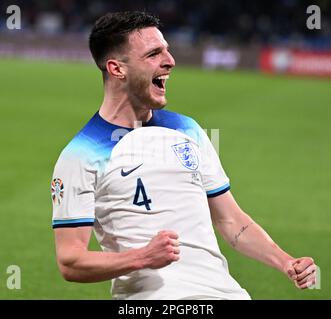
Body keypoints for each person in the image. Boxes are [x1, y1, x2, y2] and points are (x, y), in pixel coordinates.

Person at [51, 11, 316, 300]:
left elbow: (231, 221)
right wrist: (142, 257)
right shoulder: (80, 156)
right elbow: (70, 261)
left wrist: (285, 261)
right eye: (154, 54)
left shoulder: (187, 129)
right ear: (117, 69)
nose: (170, 61)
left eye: (167, 49)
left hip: (227, 293)